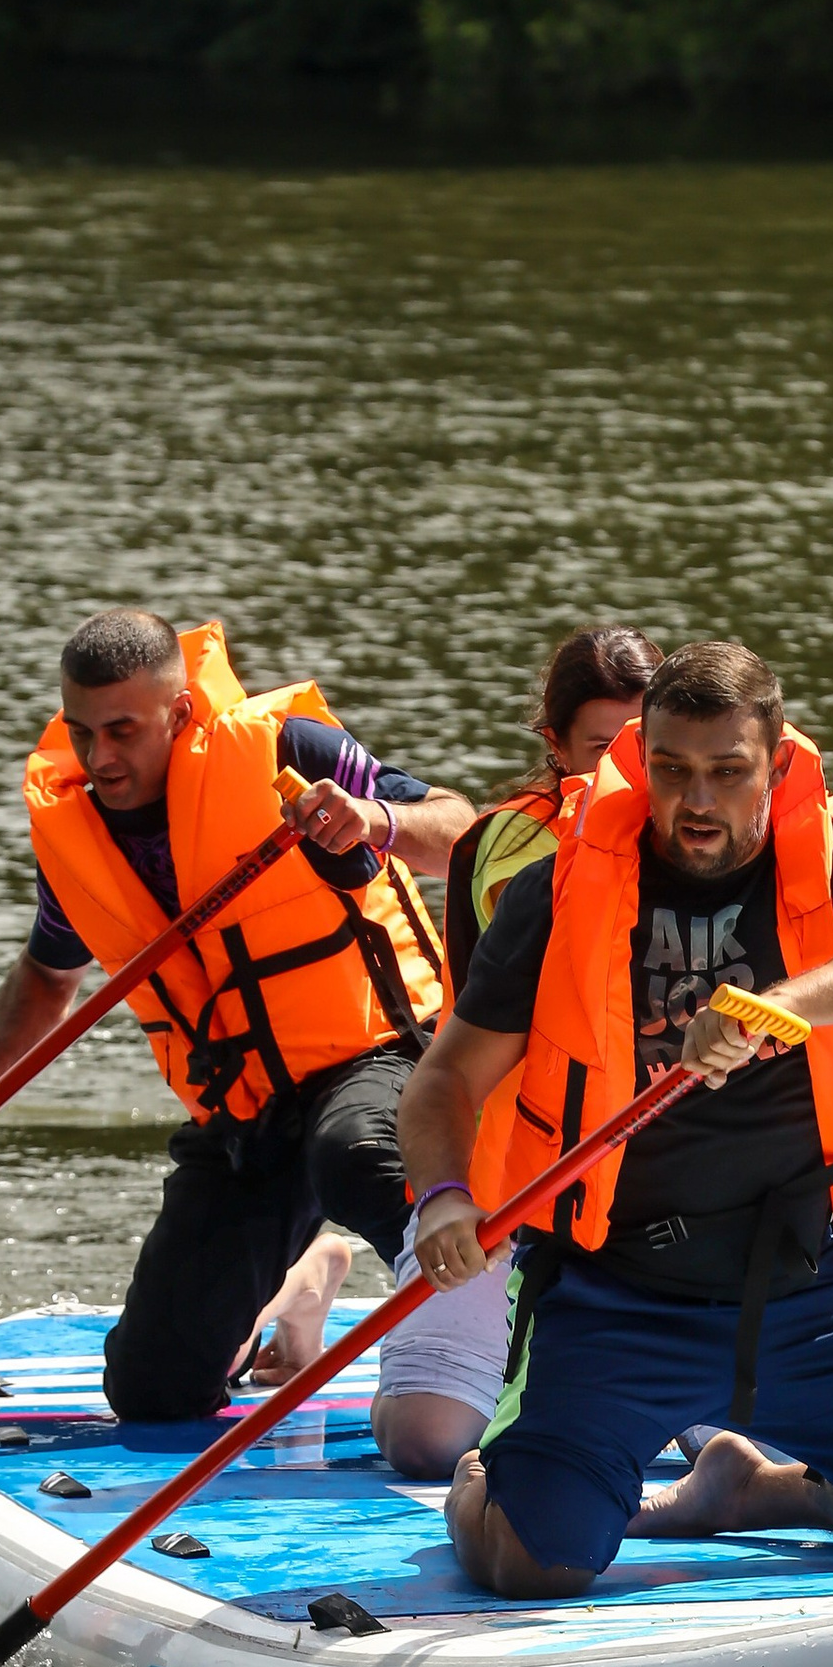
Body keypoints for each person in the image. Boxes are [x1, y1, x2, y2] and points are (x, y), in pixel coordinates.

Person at [395, 638, 833, 1598]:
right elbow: (445, 1080)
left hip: (805, 1288)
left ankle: (771, 1490)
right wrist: (443, 1197)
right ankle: (491, 1477)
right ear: (640, 761)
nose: (697, 801)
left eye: (729, 772)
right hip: (616, 1295)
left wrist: (769, 1008)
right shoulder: (559, 886)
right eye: (672, 770)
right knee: (531, 1566)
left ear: (775, 764)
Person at [0, 610, 472, 1423]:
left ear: (177, 714)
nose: (101, 758)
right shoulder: (75, 830)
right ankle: (303, 1277)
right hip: (245, 1110)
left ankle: (500, 1337)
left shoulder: (288, 749)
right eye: (82, 733)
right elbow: (47, 971)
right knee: (153, 1391)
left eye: (123, 731)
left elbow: (462, 833)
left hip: (379, 1058)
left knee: (351, 1153)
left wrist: (377, 819)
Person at [246, 625, 667, 1473]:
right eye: (601, 751)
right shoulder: (511, 856)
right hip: (526, 1169)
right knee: (426, 1444)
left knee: (735, 1437)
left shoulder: (718, 835)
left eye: (646, 751)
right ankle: (332, 1285)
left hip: (670, 1186)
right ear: (554, 747)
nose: (629, 777)